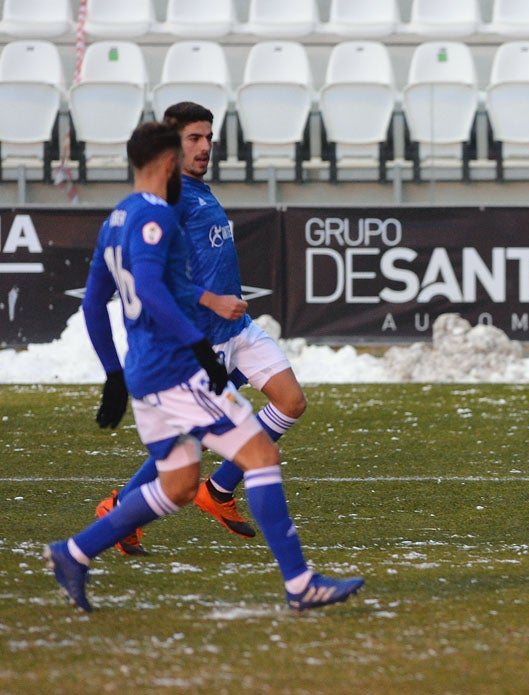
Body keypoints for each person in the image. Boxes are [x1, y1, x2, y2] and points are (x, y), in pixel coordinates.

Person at [45, 121, 363, 612]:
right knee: (259, 457)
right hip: (175, 368)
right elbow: (151, 288)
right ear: (169, 162)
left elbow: (93, 303)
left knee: (175, 486)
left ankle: (74, 552)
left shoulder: (116, 219)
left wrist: (113, 374)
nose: (201, 151)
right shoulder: (158, 217)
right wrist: (198, 349)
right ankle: (300, 584)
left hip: (148, 372)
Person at [95, 101, 308, 555]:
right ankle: (119, 509)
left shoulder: (199, 189)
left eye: (209, 137)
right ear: (172, 145)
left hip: (237, 328)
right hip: (203, 336)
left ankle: (220, 490)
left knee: (291, 401)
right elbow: (156, 277)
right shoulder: (166, 203)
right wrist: (208, 301)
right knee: (186, 441)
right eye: (195, 138)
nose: (206, 146)